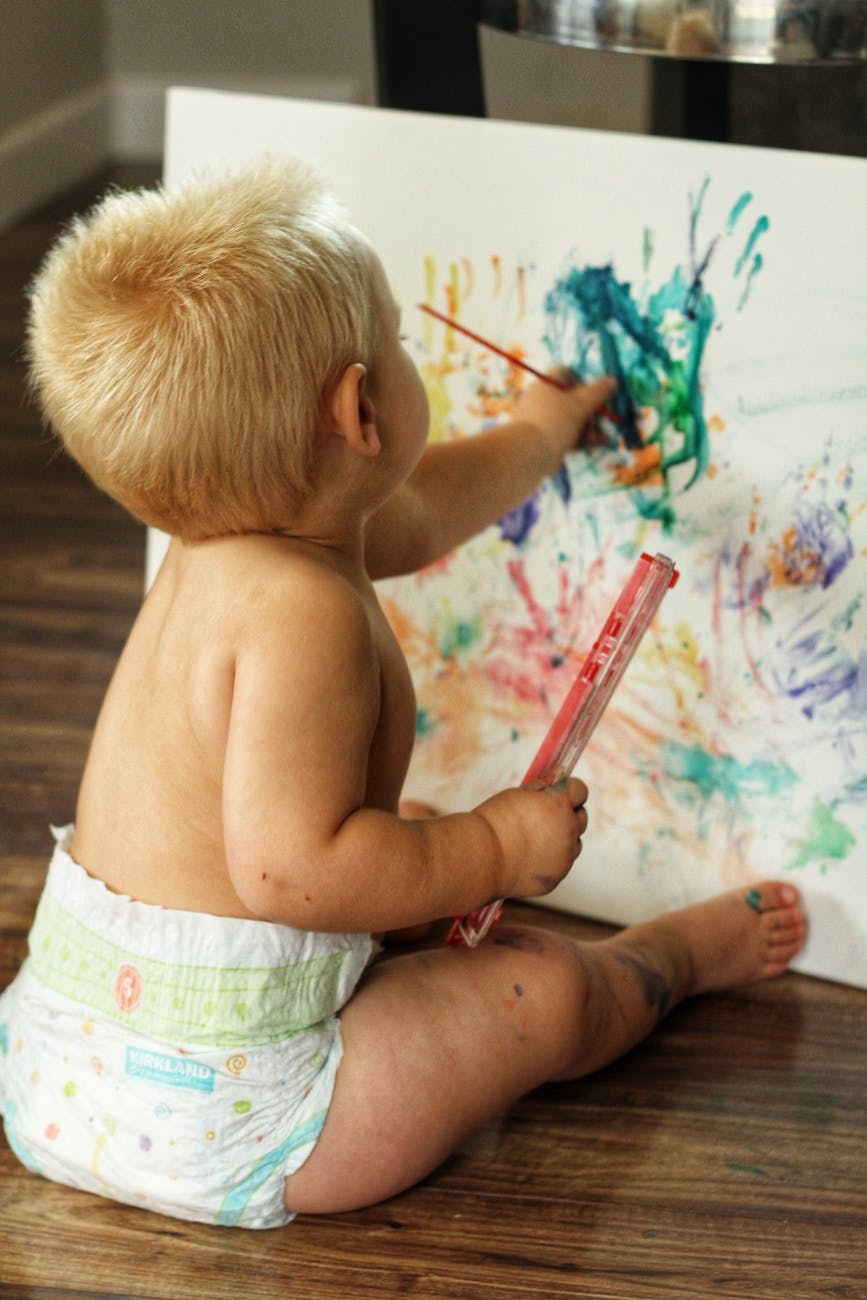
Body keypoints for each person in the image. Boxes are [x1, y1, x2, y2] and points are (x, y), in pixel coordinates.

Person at [0, 161, 806, 1230]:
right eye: (401, 342)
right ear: (362, 407)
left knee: (404, 838)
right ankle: (665, 961)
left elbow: (421, 512)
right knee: (541, 994)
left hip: (64, 1074)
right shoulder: (308, 619)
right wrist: (495, 850)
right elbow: (293, 869)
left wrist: (539, 431)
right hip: (241, 1117)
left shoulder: (226, 543)